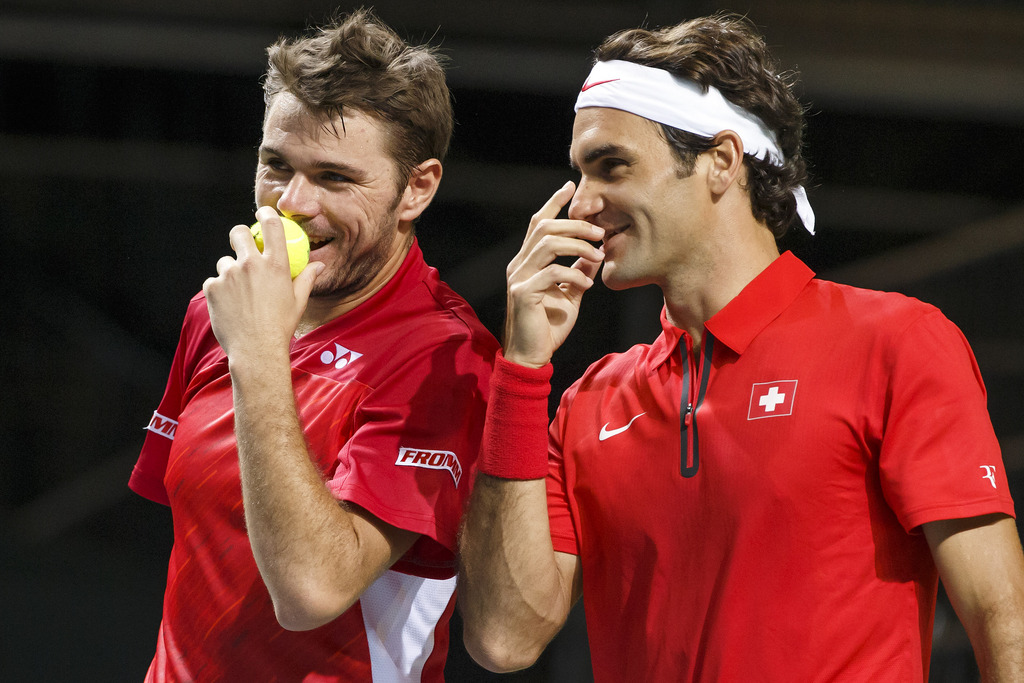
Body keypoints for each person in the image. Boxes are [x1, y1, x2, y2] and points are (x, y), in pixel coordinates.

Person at [457, 13, 1024, 682]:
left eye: (611, 166)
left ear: (721, 163)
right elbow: (501, 638)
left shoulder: (897, 341)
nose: (581, 204)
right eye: (580, 173)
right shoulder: (586, 403)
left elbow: (1000, 612)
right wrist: (521, 370)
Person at [129, 9, 498, 681]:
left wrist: (258, 355)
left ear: (418, 187)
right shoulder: (222, 309)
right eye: (276, 165)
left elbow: (311, 592)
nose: (292, 203)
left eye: (334, 178)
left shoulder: (447, 358)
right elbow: (203, 560)